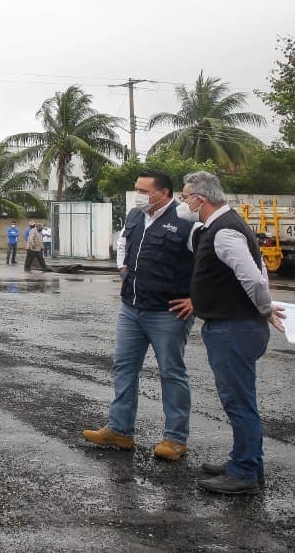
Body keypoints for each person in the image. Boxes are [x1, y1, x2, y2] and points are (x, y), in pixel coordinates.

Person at [172, 171, 285, 495]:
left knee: (239, 402)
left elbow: (254, 278)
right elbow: (257, 269)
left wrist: (265, 309)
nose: (184, 203)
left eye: (185, 197)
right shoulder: (226, 224)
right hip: (234, 325)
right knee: (241, 399)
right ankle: (247, 460)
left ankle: (244, 473)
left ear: (200, 199)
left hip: (233, 328)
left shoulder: (224, 232)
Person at [82, 170, 198, 461]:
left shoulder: (187, 222)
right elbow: (123, 245)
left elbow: (209, 261)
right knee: (123, 368)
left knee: (171, 373)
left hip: (167, 312)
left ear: (164, 194)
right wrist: (123, 271)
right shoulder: (135, 215)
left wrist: (198, 299)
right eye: (137, 190)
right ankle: (120, 430)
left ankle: (175, 439)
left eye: (144, 191)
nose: (139, 195)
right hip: (131, 309)